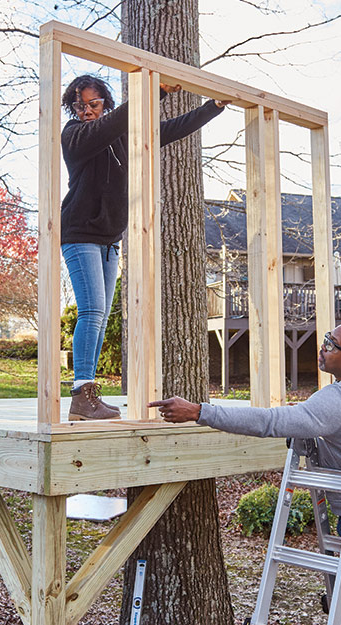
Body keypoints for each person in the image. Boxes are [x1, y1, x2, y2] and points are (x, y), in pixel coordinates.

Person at [150, 322, 341, 624]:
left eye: (332, 344)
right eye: (326, 338)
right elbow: (328, 415)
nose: (323, 346)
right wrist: (309, 415)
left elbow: (269, 421)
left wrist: (199, 412)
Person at [60, 74, 227, 420]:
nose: (87, 111)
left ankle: (88, 397)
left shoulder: (122, 135)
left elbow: (169, 130)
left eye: (93, 103)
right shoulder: (74, 136)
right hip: (80, 233)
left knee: (101, 316)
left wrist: (214, 107)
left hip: (108, 239)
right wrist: (156, 92)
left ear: (103, 101)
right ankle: (81, 395)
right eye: (79, 106)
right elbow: (110, 126)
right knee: (91, 312)